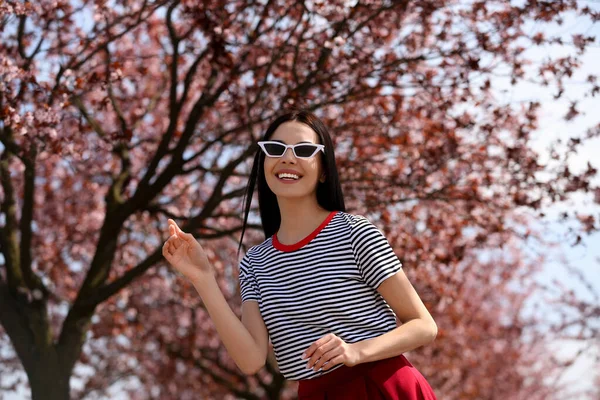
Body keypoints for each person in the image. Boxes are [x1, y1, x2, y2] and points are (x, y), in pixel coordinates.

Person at [162, 109, 438, 399]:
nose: (288, 158)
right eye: (276, 148)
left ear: (324, 170)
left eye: (304, 150)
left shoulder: (355, 233)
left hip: (383, 387)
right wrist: (203, 278)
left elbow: (423, 325)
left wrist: (356, 351)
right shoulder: (255, 263)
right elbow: (251, 360)